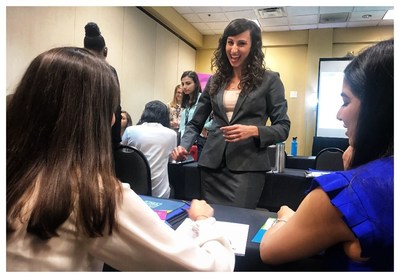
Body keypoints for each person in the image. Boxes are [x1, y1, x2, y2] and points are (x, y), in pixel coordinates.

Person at [6, 47, 235, 271]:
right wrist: (204, 221)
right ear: (94, 118)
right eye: (110, 109)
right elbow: (209, 269)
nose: (114, 119)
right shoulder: (93, 196)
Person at [260, 38, 394, 271]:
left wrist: (285, 216)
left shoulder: (344, 194)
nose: (338, 115)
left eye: (345, 101)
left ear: (378, 107)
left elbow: (269, 250)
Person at [172, 18, 290, 209]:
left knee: (239, 222)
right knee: (209, 220)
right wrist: (184, 146)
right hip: (211, 165)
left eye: (241, 43)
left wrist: (253, 131)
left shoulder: (269, 81)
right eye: (230, 42)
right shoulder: (215, 80)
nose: (234, 49)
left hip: (248, 167)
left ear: (253, 47)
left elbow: (283, 127)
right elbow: (195, 123)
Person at [121, 101, 177, 198]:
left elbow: (121, 153)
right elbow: (171, 160)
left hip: (133, 192)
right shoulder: (172, 134)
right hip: (161, 193)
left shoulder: (130, 131)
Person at [84, 21, 122, 151]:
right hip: (102, 140)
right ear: (105, 51)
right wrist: (115, 142)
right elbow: (115, 107)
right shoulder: (109, 72)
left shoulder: (74, 67)